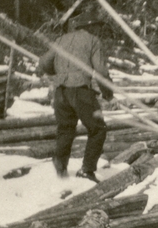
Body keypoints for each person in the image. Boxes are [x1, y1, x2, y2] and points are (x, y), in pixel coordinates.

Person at [38, 11, 113, 182]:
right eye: (97, 27)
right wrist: (108, 92)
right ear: (91, 26)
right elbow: (100, 71)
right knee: (98, 129)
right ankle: (87, 170)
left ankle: (60, 164)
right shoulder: (93, 41)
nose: (98, 31)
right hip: (80, 92)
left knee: (65, 129)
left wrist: (59, 73)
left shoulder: (61, 40)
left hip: (60, 92)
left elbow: (43, 63)